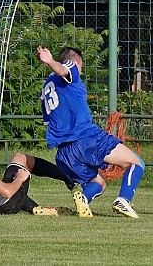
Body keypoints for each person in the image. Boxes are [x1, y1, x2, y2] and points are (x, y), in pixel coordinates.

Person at [37, 46, 145, 218]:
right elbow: (64, 69)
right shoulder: (70, 67)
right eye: (81, 67)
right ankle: (124, 200)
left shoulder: (47, 86)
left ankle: (83, 200)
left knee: (99, 183)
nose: (80, 71)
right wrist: (50, 61)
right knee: (136, 163)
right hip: (86, 138)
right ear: (76, 62)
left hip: (65, 152)